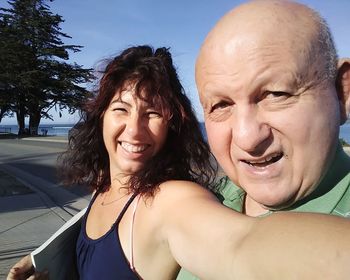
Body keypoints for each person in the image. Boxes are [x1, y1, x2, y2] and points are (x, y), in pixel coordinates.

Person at [7, 45, 350, 279]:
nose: (135, 129)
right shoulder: (106, 186)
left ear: (172, 126)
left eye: (153, 112)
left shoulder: (169, 201)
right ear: (101, 118)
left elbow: (240, 244)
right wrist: (42, 257)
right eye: (121, 109)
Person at [177, 0, 350, 279]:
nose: (247, 139)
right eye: (221, 105)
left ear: (341, 94)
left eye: (276, 94)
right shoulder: (208, 201)